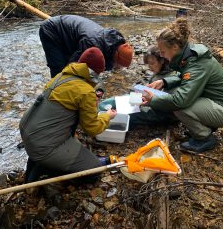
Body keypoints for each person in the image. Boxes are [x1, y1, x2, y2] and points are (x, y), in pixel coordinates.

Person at [142, 18, 223, 153]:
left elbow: (180, 101)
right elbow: (185, 77)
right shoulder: (189, 55)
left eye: (163, 52)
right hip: (218, 102)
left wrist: (153, 100)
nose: (160, 55)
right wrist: (164, 82)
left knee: (179, 104)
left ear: (175, 47)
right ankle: (206, 125)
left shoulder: (196, 63)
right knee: (175, 92)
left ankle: (205, 138)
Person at [19, 47, 117, 183]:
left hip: (28, 132)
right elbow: (92, 128)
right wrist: (107, 116)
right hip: (44, 144)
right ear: (97, 72)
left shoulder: (60, 77)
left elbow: (69, 100)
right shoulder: (85, 91)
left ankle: (38, 162)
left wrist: (93, 97)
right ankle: (45, 169)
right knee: (94, 171)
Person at [98, 45, 178, 128]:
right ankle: (99, 110)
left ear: (162, 60)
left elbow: (172, 104)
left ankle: (101, 121)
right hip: (147, 101)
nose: (149, 67)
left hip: (160, 113)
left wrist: (145, 101)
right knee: (116, 100)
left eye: (152, 63)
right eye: (148, 64)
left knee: (124, 113)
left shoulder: (173, 77)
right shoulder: (157, 73)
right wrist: (141, 94)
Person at [39, 15, 133, 77]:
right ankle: (54, 95)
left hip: (69, 34)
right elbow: (73, 66)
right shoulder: (92, 43)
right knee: (59, 70)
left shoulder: (115, 42)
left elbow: (105, 64)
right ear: (116, 56)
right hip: (52, 30)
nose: (118, 68)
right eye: (119, 65)